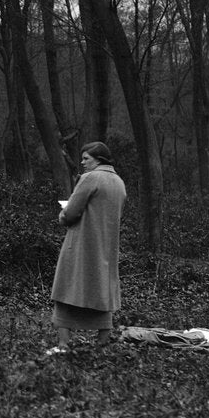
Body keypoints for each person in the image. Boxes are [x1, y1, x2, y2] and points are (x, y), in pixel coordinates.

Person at [46, 141, 126, 355]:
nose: (82, 163)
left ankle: (63, 345)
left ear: (99, 159)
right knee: (103, 293)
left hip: (81, 245)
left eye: (86, 158)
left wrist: (62, 215)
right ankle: (102, 345)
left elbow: (71, 213)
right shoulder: (119, 182)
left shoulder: (90, 178)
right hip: (107, 247)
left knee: (65, 288)